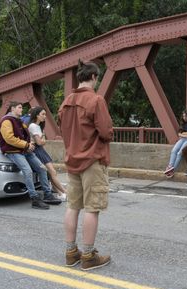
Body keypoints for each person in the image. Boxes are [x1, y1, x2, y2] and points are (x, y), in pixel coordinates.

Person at [59, 60, 113, 271]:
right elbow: (106, 132)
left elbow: (64, 132)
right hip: (92, 160)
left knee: (73, 206)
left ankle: (71, 252)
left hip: (72, 160)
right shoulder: (96, 100)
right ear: (93, 77)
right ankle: (89, 255)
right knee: (92, 208)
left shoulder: (66, 102)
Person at [0, 101, 61, 210]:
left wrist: (29, 144)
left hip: (25, 150)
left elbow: (25, 136)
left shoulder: (18, 121)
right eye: (20, 107)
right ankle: (34, 198)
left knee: (42, 169)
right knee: (28, 171)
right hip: (14, 151)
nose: (22, 109)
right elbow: (9, 138)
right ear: (12, 109)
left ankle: (47, 195)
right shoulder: (6, 121)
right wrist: (26, 145)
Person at [28, 106, 67, 199]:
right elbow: (40, 142)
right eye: (43, 114)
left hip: (40, 150)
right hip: (37, 150)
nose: (45, 116)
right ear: (37, 115)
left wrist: (42, 140)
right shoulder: (33, 126)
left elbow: (42, 142)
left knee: (51, 173)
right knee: (52, 172)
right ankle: (65, 192)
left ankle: (60, 193)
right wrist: (43, 139)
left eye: (45, 114)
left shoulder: (38, 126)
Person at [163, 109, 187, 178]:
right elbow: (179, 134)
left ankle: (172, 170)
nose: (184, 118)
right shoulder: (183, 123)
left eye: (186, 116)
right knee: (173, 151)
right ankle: (170, 166)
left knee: (180, 153)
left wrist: (184, 133)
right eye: (183, 116)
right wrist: (185, 134)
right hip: (183, 139)